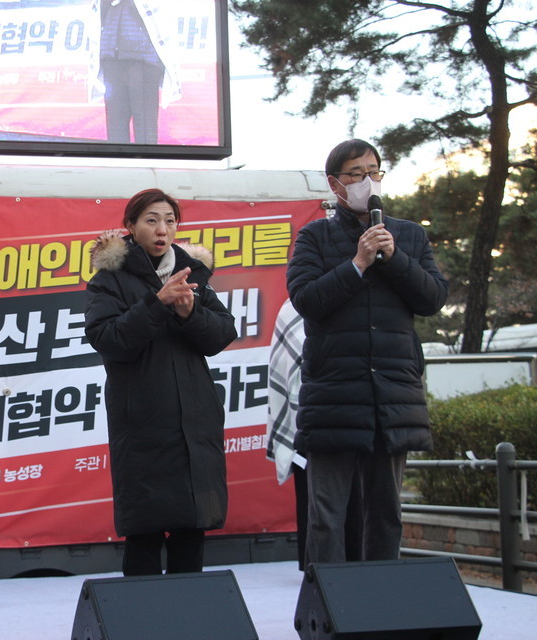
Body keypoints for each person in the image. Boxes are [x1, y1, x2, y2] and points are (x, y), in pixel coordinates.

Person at [287, 139, 448, 566]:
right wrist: (357, 263)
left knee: (386, 513)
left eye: (374, 172)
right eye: (356, 174)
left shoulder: (408, 235)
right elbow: (306, 299)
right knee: (327, 516)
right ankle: (326, 600)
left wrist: (394, 258)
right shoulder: (315, 236)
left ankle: (383, 599)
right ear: (335, 184)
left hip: (391, 394)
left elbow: (433, 298)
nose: (368, 181)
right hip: (335, 395)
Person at [85, 188, 238, 575]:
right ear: (131, 226)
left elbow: (222, 335)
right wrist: (157, 303)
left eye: (170, 221)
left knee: (191, 531)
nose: (162, 229)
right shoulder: (109, 280)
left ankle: (190, 614)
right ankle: (140, 612)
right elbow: (108, 339)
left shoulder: (192, 273)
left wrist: (190, 314)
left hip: (195, 422)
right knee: (145, 534)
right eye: (151, 220)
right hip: (143, 425)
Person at [266, 298, 362, 570]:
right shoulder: (298, 302)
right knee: (318, 503)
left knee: (358, 501)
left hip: (359, 410)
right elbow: (286, 362)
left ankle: (359, 568)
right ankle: (316, 573)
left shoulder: (366, 298)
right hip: (312, 415)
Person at [96, 0, 181, 144]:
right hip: (112, 53)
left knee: (145, 127)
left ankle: (147, 158)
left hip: (143, 56)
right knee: (116, 126)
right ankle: (118, 158)